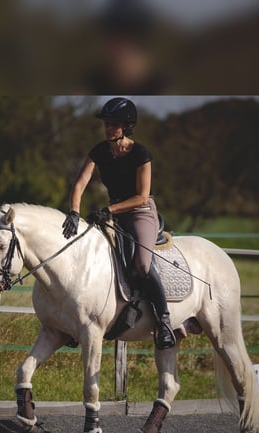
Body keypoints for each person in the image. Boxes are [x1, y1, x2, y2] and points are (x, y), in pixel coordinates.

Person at [62, 97, 175, 350]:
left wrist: (108, 209)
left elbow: (142, 196)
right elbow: (80, 183)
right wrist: (73, 211)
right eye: (106, 123)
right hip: (113, 213)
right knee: (91, 253)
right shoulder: (99, 151)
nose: (108, 128)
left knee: (143, 265)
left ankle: (164, 321)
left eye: (114, 124)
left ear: (127, 126)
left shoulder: (141, 154)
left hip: (140, 212)